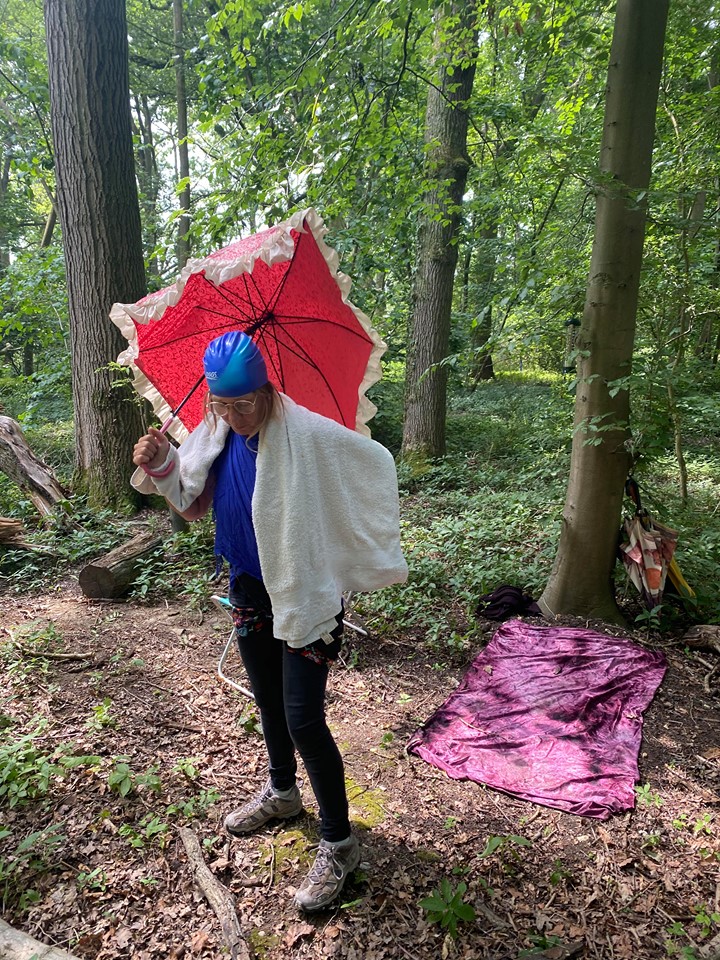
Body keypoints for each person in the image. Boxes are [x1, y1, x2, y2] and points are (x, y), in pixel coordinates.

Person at [131, 331, 407, 912]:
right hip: (249, 587)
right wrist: (162, 465)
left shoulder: (306, 433)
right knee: (267, 700)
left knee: (304, 718)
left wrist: (349, 552)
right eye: (221, 403)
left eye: (244, 404)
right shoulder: (217, 431)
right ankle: (283, 792)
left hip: (303, 594)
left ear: (267, 390)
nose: (233, 416)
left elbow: (375, 464)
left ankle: (339, 843)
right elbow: (191, 504)